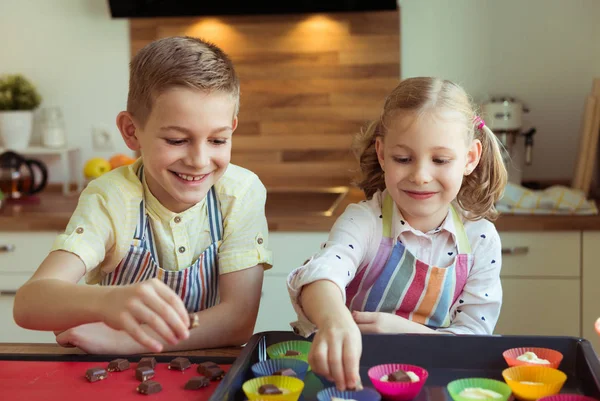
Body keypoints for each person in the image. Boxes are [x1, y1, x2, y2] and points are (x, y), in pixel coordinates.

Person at [13, 36, 272, 354]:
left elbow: (238, 319)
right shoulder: (110, 198)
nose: (199, 160)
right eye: (177, 140)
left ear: (232, 129)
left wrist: (129, 340)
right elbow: (28, 304)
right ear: (131, 131)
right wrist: (107, 302)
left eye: (218, 141)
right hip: (120, 373)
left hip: (209, 370)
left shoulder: (240, 192)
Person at [287, 77, 508, 390]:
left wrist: (403, 330)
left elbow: (473, 339)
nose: (420, 176)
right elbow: (322, 273)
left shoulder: (480, 240)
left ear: (470, 158)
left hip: (435, 380)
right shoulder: (366, 222)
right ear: (381, 153)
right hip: (353, 377)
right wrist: (334, 319)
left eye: (440, 160)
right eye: (403, 159)